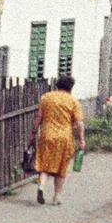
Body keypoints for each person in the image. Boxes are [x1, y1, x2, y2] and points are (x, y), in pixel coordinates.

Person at [29, 75, 84, 205]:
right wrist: (81, 139)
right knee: (61, 167)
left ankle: (41, 186)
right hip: (64, 138)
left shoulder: (46, 97)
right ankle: (56, 197)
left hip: (47, 135)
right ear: (71, 87)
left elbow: (38, 117)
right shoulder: (73, 102)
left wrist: (33, 132)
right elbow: (79, 123)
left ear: (57, 85)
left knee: (44, 163)